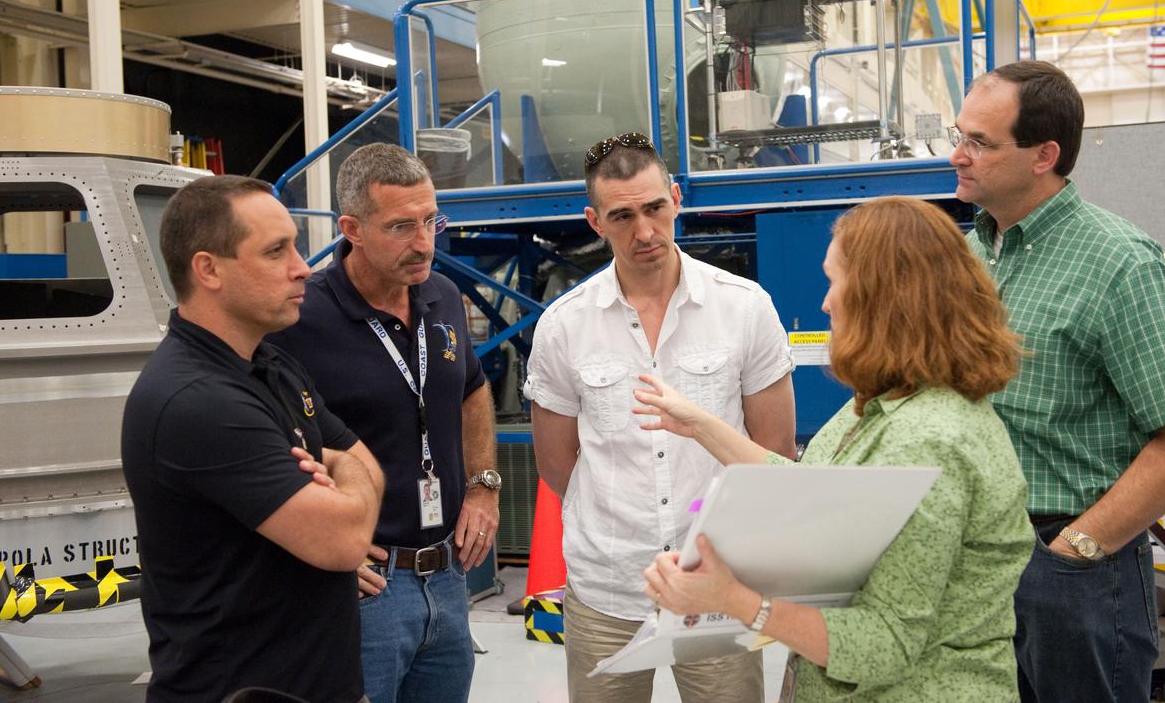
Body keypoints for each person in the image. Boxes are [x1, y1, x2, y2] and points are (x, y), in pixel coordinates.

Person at [635, 196, 1035, 702]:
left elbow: (885, 643)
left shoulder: (929, 440)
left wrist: (734, 600)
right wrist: (700, 426)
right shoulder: (882, 406)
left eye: (835, 281)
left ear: (882, 298)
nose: (826, 302)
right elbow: (811, 488)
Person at [949, 60, 1165, 702]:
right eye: (958, 134)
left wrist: (1075, 550)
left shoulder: (1117, 264)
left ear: (1044, 154)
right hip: (980, 556)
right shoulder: (970, 254)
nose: (957, 155)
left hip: (1071, 562)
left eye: (980, 143)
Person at [524, 132, 797, 703]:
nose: (644, 231)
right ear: (594, 221)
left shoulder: (744, 307)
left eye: (654, 208)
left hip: (718, 583)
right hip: (607, 588)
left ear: (676, 198)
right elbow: (557, 465)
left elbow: (774, 450)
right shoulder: (563, 326)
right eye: (622, 216)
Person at [121, 175, 383, 703]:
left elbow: (366, 463)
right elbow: (343, 541)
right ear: (208, 269)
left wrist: (340, 477)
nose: (302, 267)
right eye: (275, 251)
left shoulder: (271, 363)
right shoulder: (198, 401)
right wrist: (339, 483)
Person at [268, 143, 497, 703]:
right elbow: (273, 448)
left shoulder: (441, 295)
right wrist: (321, 558)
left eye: (430, 221)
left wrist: (483, 486)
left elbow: (472, 389)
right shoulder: (300, 319)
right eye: (401, 226)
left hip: (447, 577)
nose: (424, 244)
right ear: (352, 228)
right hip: (365, 587)